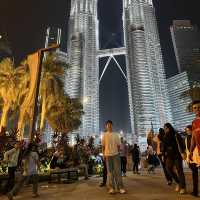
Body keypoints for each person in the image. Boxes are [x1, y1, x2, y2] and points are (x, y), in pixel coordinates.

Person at [101, 120, 126, 194]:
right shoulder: (104, 135)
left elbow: (118, 145)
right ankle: (111, 188)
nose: (109, 126)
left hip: (115, 155)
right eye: (108, 125)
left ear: (112, 125)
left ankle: (120, 188)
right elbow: (103, 146)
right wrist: (103, 155)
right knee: (110, 172)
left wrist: (117, 153)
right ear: (106, 126)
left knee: (118, 171)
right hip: (107, 155)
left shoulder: (116, 134)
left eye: (110, 125)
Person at [163, 123, 186, 194]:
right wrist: (163, 155)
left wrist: (183, 152)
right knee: (168, 169)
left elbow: (181, 144)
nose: (165, 129)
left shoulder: (176, 135)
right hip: (169, 156)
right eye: (164, 128)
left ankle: (183, 187)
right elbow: (164, 147)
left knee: (180, 171)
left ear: (169, 128)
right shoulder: (165, 136)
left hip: (177, 155)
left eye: (166, 128)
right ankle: (178, 182)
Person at [189, 100, 200, 197]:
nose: (197, 109)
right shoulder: (194, 122)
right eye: (195, 108)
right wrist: (191, 151)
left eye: (199, 107)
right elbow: (193, 138)